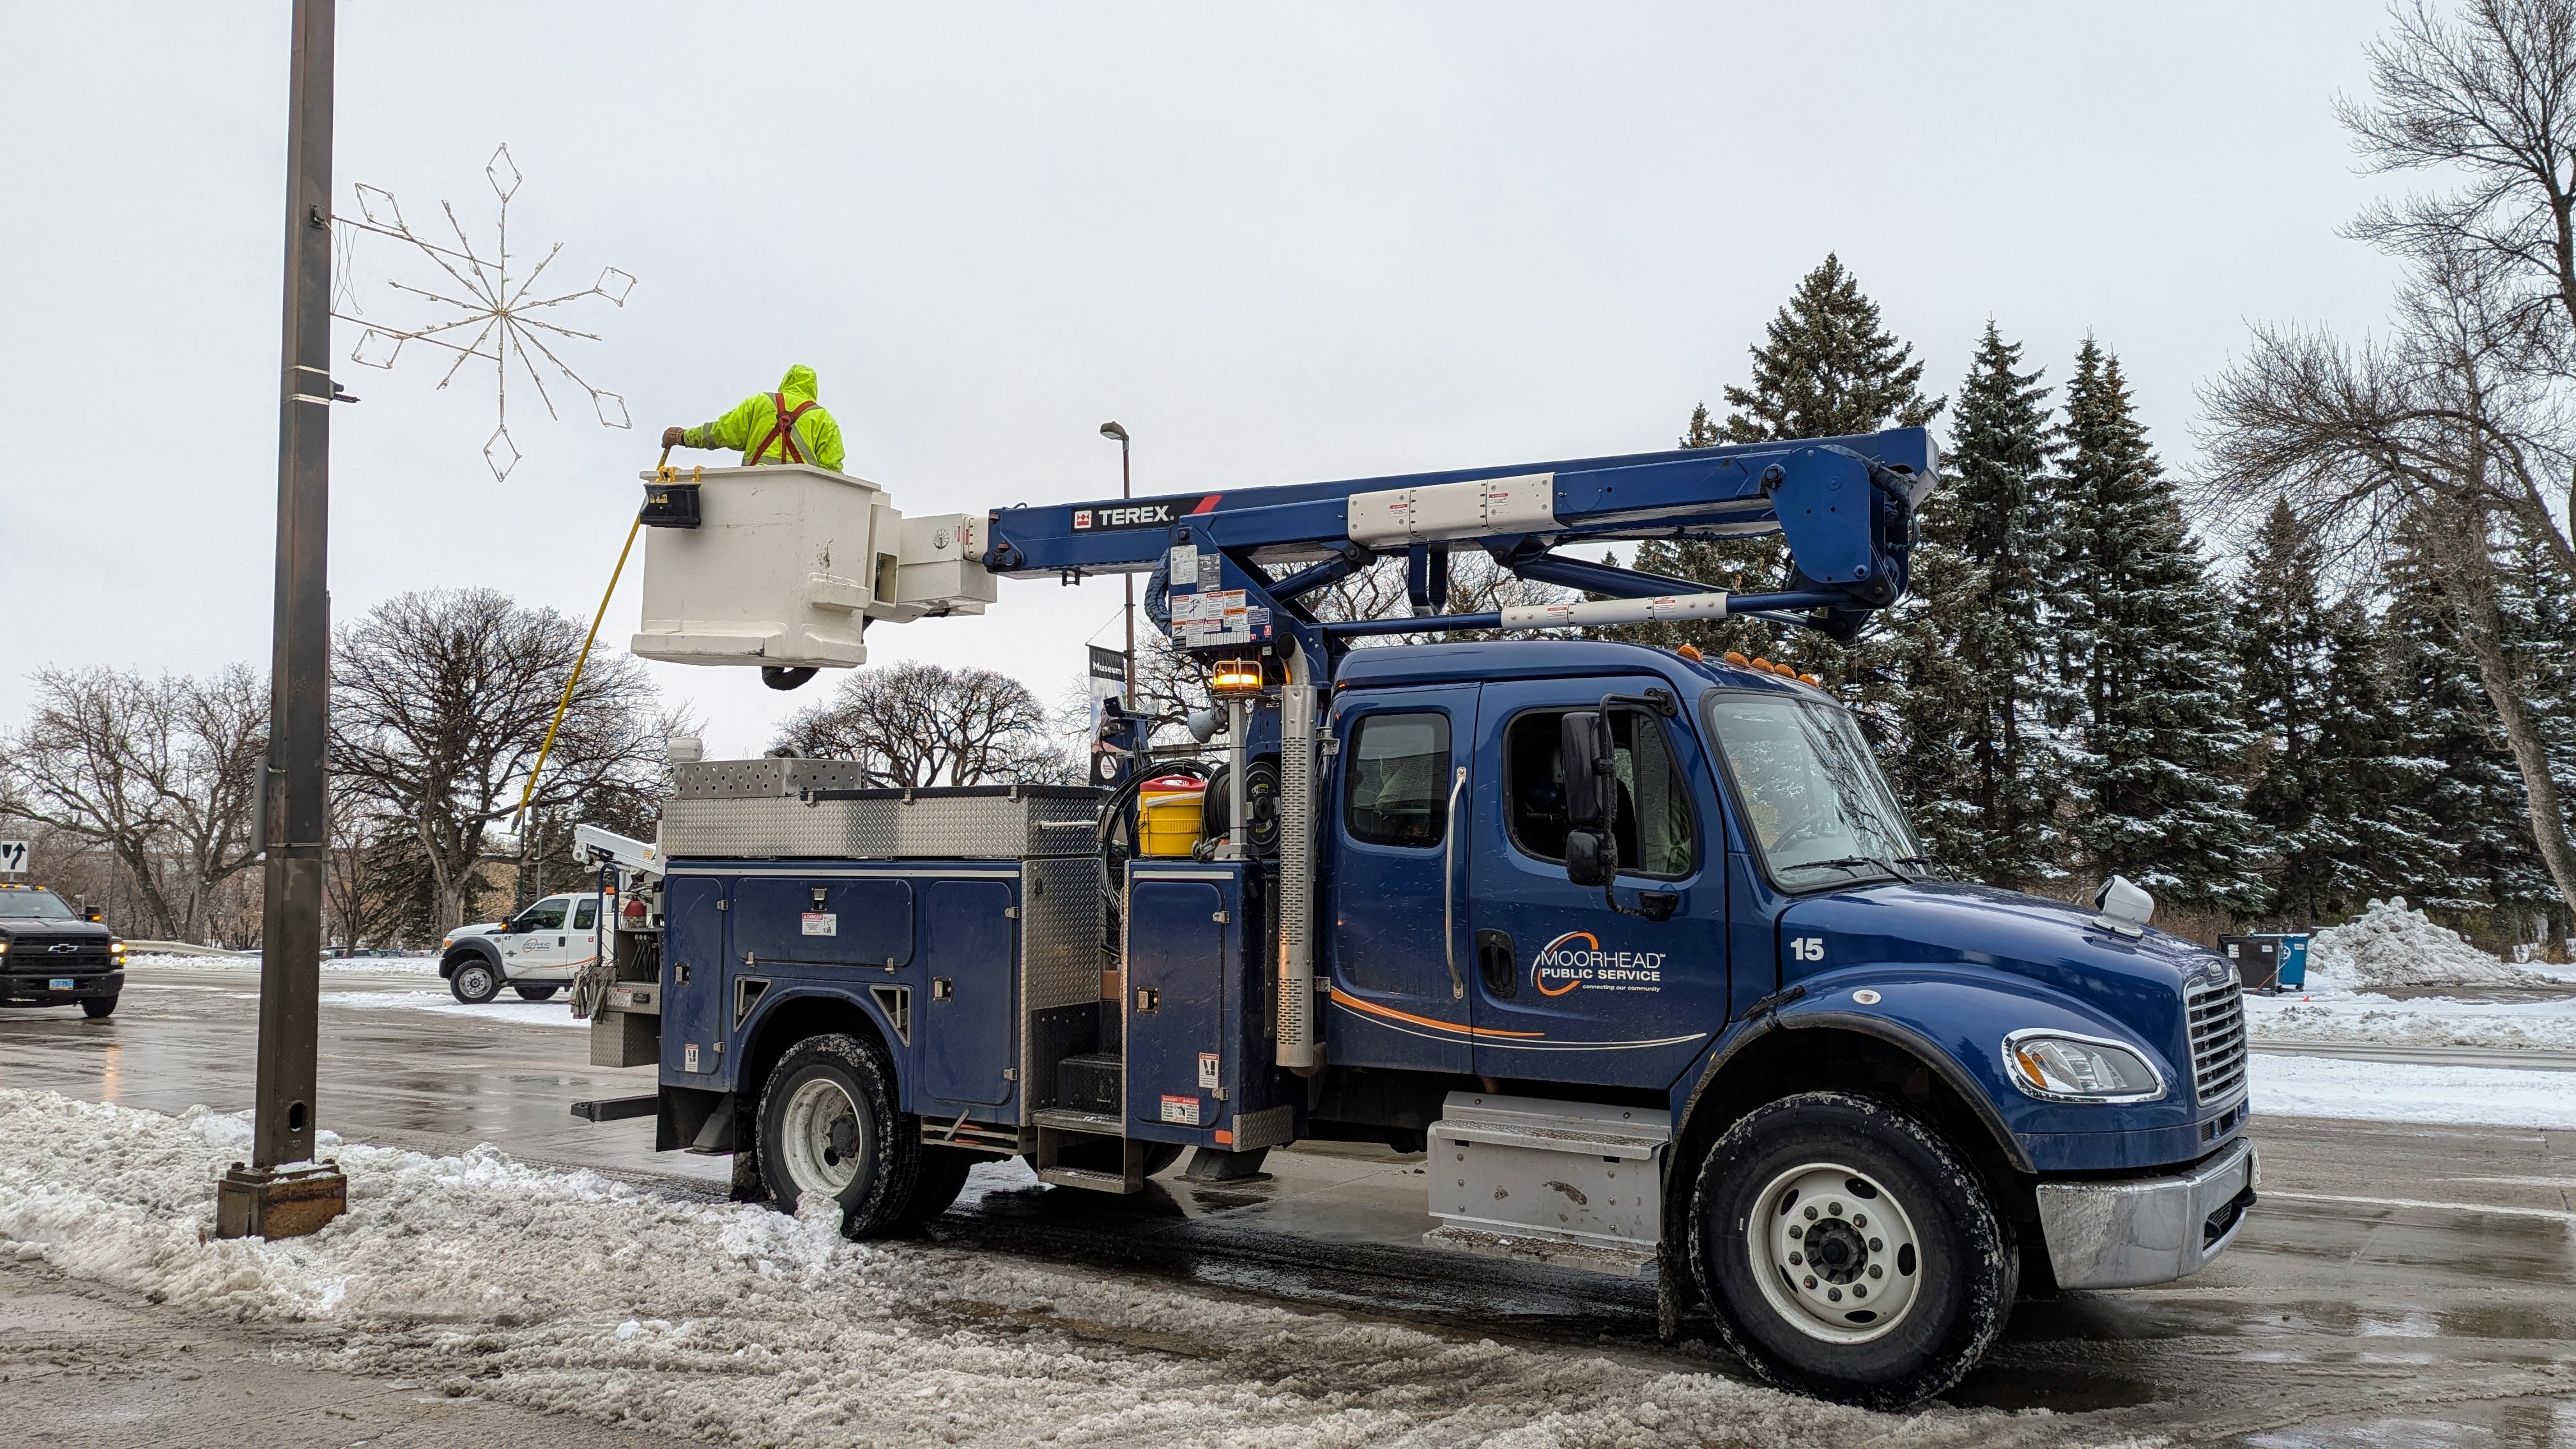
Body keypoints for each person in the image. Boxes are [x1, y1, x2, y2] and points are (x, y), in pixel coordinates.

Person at [660, 364, 846, 471]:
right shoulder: (824, 419)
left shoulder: (761, 402)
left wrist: (682, 436)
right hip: (801, 492)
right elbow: (832, 467)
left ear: (786, 382)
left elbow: (722, 431)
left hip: (755, 486)